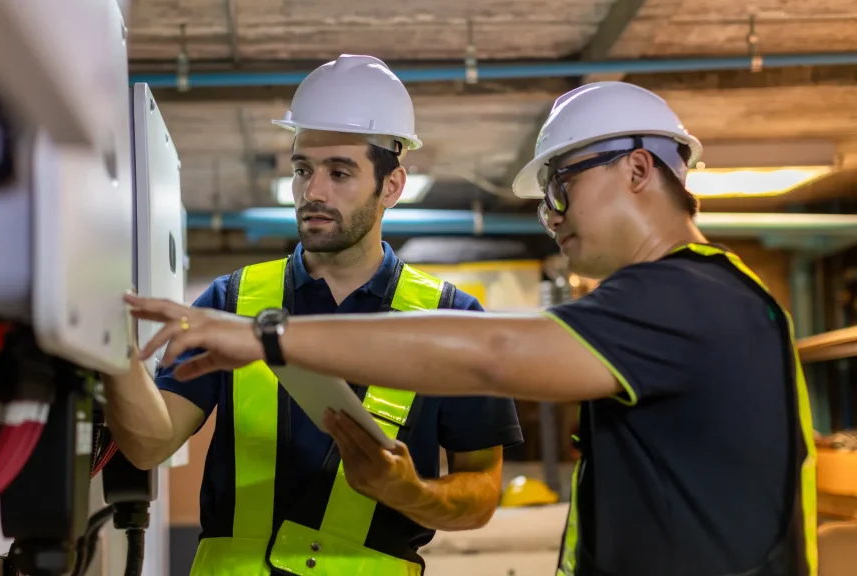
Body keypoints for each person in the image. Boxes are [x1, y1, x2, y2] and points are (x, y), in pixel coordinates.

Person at [124, 81, 818, 576]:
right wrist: (103, 344)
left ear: (639, 168)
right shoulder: (701, 298)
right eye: (304, 170)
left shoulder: (686, 298)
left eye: (560, 187)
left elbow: (496, 355)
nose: (552, 216)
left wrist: (268, 339)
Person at [105, 54, 523, 576]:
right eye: (303, 170)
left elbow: (481, 493)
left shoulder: (452, 318)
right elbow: (149, 445)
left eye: (339, 172)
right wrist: (107, 334)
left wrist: (410, 491)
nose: (313, 192)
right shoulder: (230, 300)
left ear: (392, 186)